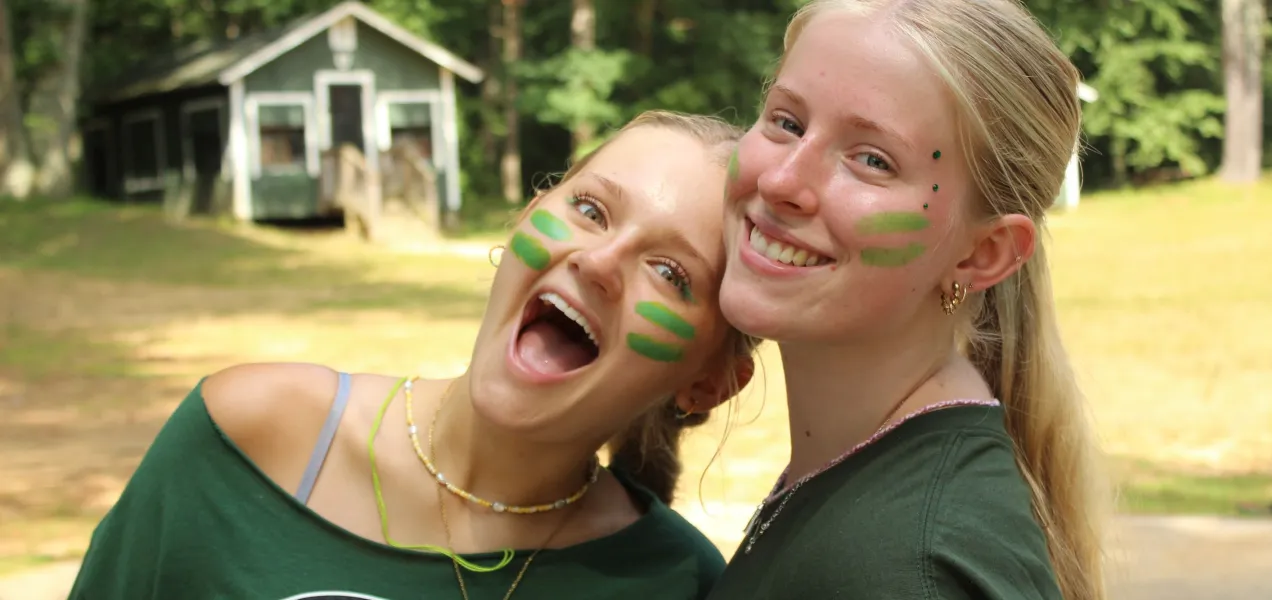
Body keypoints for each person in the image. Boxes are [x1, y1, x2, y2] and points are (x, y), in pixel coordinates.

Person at [66, 111, 758, 600]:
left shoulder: (678, 581)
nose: (600, 261)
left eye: (670, 274)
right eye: (591, 211)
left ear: (709, 383)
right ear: (525, 217)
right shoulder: (249, 437)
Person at [708, 1, 1106, 599]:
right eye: (787, 122)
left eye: (872, 160)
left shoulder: (907, 568)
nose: (781, 181)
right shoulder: (862, 476)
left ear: (984, 254)